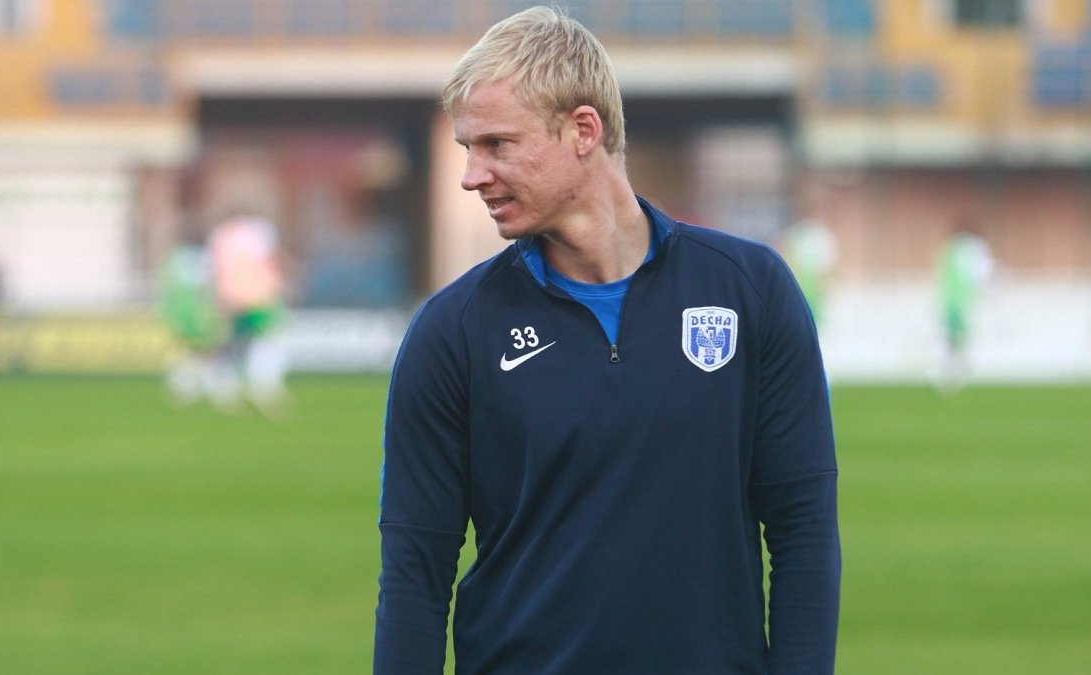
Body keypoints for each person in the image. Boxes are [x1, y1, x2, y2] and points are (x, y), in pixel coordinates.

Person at [375, 7, 840, 674]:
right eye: (468, 148)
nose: (472, 175)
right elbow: (415, 572)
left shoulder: (751, 290)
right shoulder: (452, 331)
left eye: (497, 144)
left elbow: (804, 528)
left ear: (583, 130)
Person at [207, 211, 291, 414]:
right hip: (259, 297)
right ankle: (262, 387)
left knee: (234, 345)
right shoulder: (258, 232)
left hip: (231, 297)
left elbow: (213, 268)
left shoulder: (220, 235)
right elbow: (270, 259)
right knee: (268, 341)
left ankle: (225, 390)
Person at [157, 233, 228, 406]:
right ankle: (208, 387)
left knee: (194, 350)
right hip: (197, 311)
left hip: (181, 310)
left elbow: (168, 285)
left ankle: (187, 385)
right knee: (207, 350)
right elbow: (205, 284)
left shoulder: (175, 258)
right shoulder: (200, 259)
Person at [932, 219, 995, 394]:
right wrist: (986, 289)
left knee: (953, 338)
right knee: (956, 338)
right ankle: (952, 373)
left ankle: (950, 373)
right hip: (959, 301)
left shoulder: (950, 247)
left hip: (949, 300)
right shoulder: (970, 247)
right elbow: (980, 274)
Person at [782, 212, 838, 328]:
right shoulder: (799, 234)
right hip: (803, 283)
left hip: (812, 285)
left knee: (812, 317)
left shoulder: (818, 235)